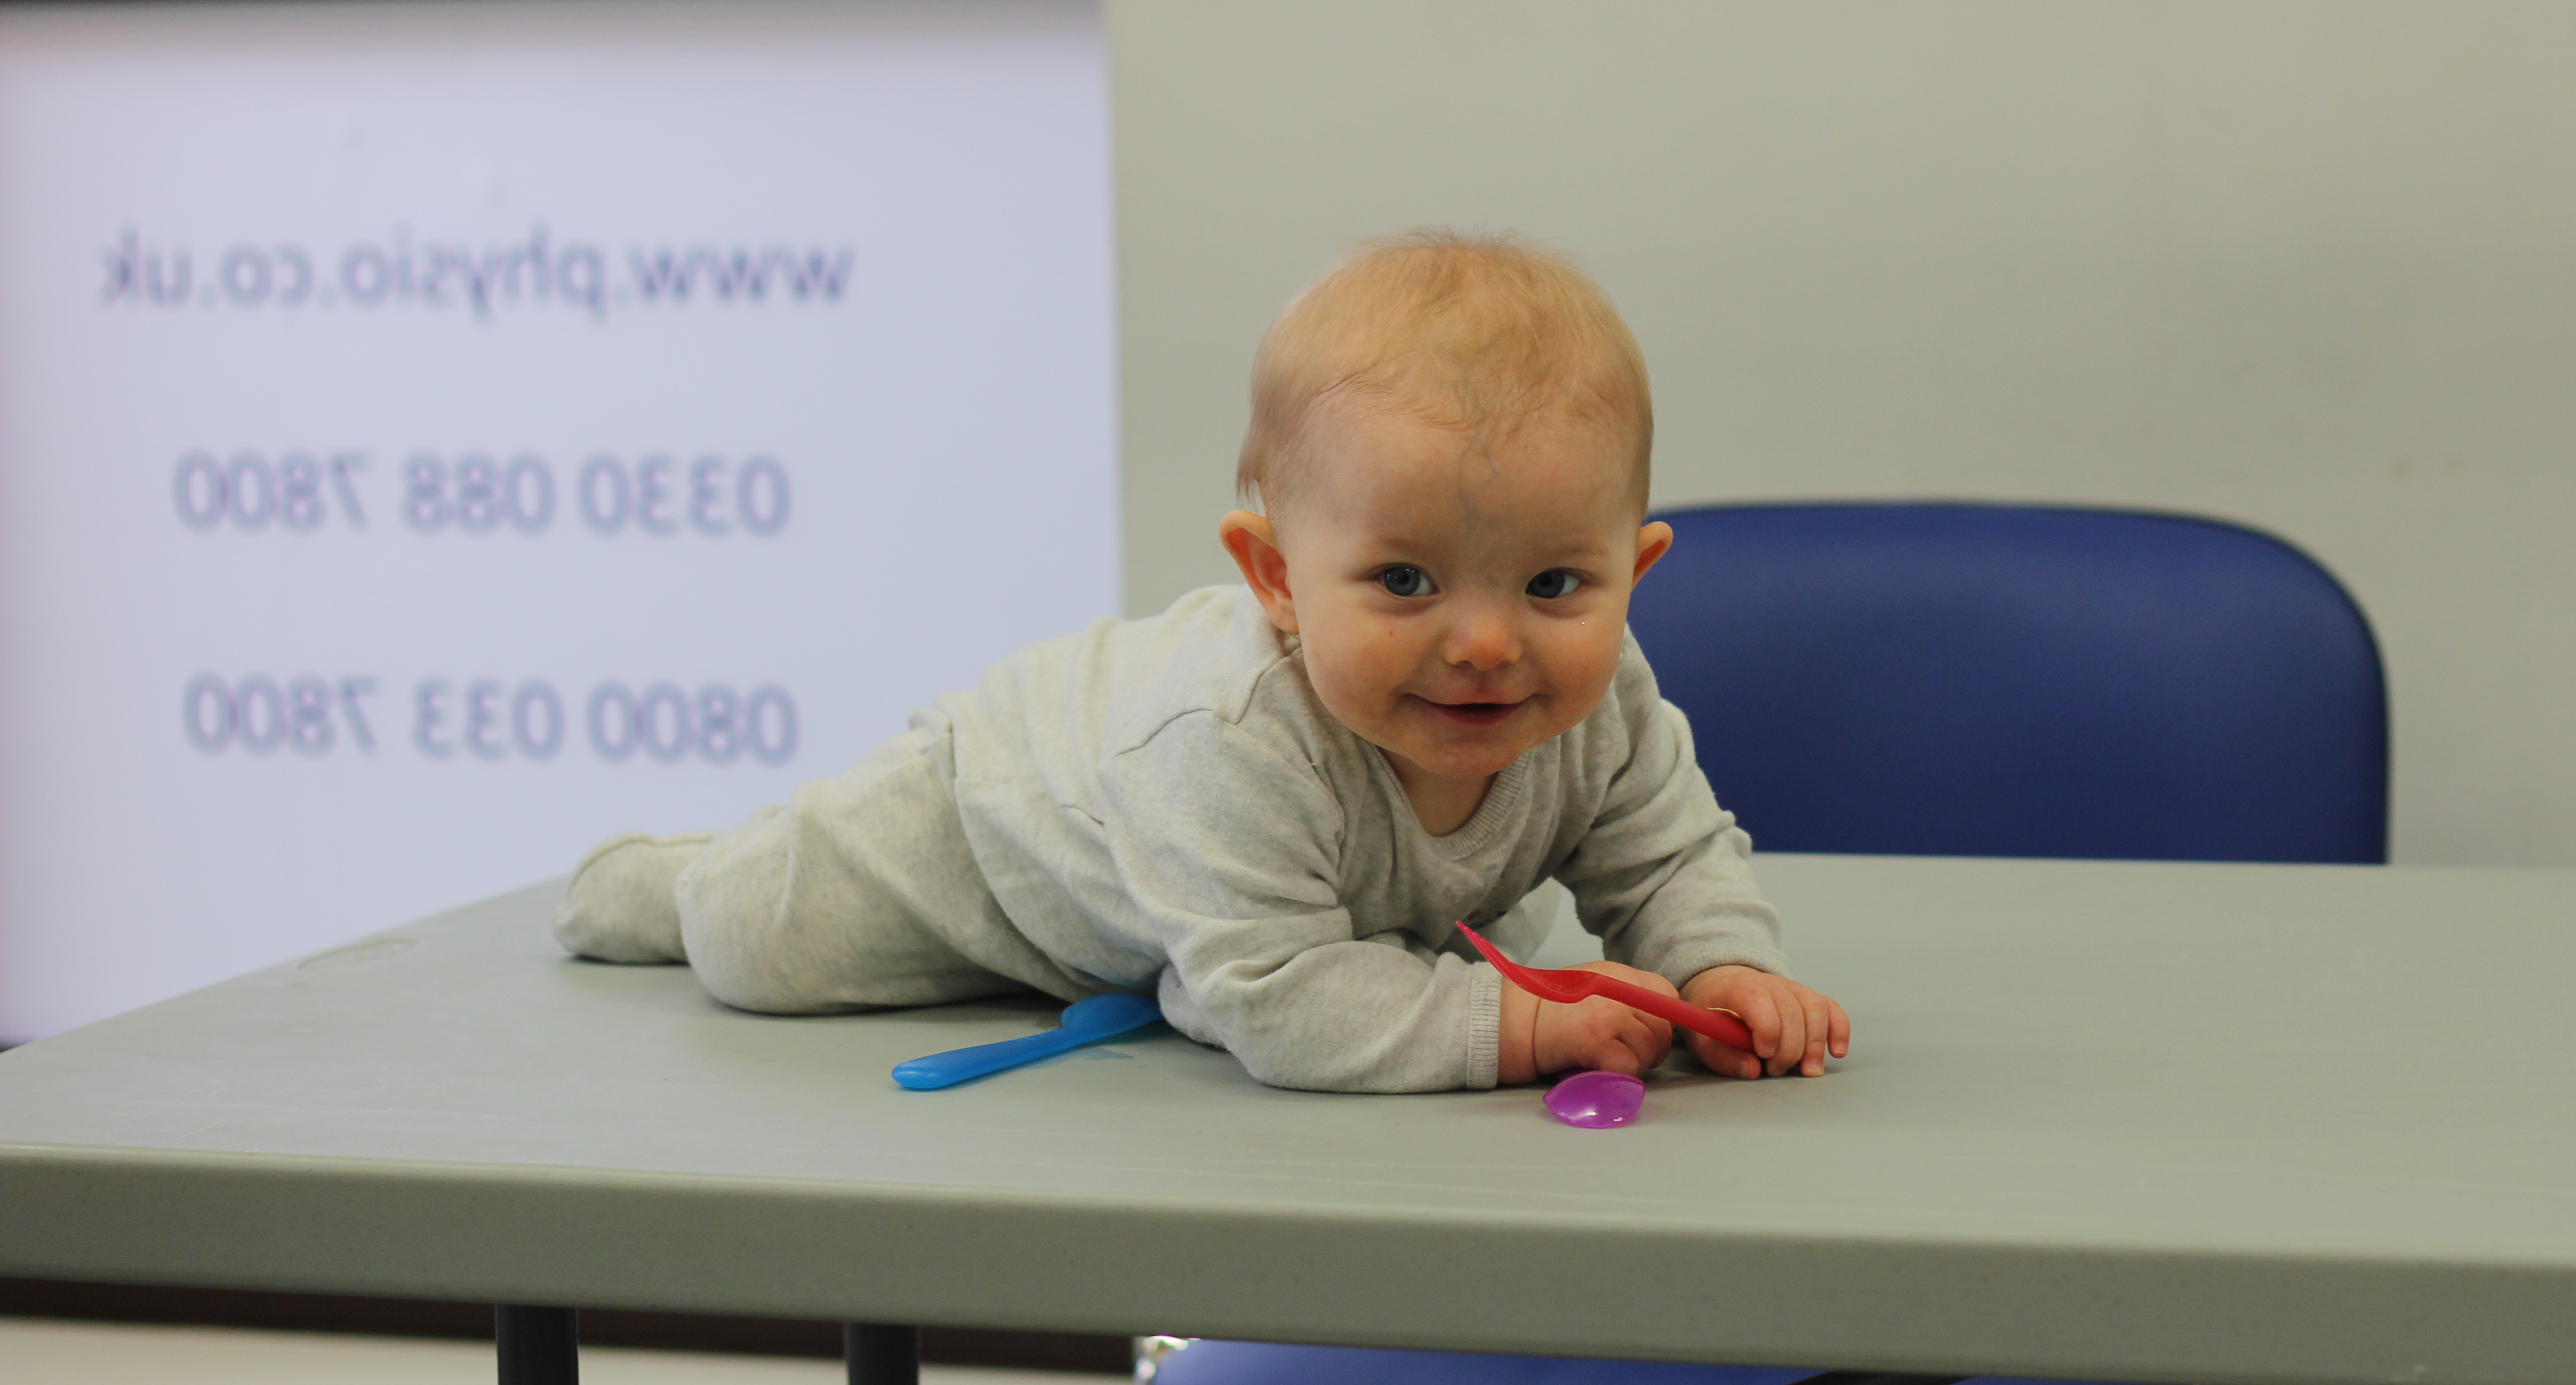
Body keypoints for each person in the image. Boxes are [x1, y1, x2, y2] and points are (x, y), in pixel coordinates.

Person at [554, 230, 1850, 1092]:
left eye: (1557, 585)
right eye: (1404, 581)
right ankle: (658, 885)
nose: (1486, 643)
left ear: (1638, 574)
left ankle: (1155, 943)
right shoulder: (1230, 737)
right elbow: (1273, 995)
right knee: (753, 945)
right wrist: (1510, 1031)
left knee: (1221, 941)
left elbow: (1670, 859)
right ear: (1277, 578)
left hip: (1185, 906)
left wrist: (1722, 968)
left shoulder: (1604, 701)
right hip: (996, 827)